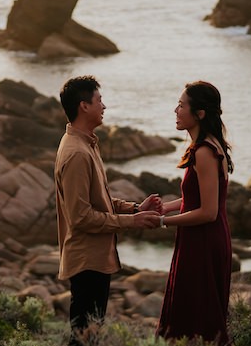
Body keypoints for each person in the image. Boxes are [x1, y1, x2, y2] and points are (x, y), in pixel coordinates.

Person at [54, 75, 162, 346]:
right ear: (84, 106)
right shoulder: (77, 153)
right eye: (99, 100)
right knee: (83, 339)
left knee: (89, 336)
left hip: (96, 259)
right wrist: (132, 222)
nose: (104, 106)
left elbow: (98, 201)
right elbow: (81, 217)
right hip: (87, 260)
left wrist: (135, 208)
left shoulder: (87, 144)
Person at [157, 81, 234, 345]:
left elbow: (208, 211)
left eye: (181, 105)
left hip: (203, 241)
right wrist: (165, 206)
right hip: (201, 238)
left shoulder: (204, 151)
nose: (175, 110)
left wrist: (162, 222)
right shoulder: (209, 146)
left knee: (196, 321)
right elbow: (196, 198)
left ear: (199, 113)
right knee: (194, 316)